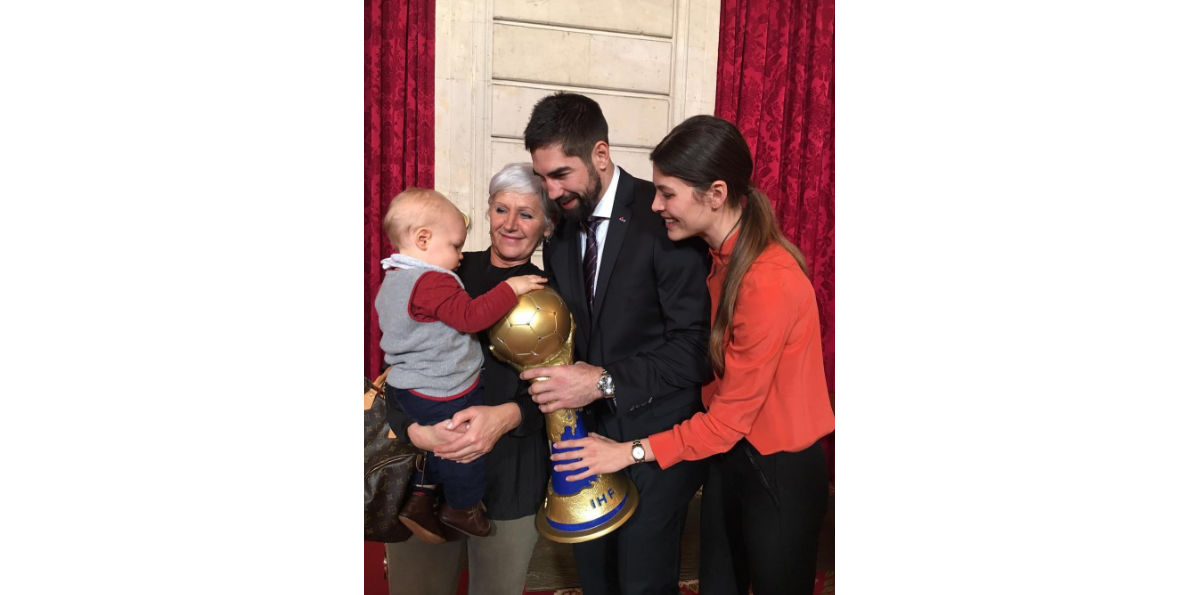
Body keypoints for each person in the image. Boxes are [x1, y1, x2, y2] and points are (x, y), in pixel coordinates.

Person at [549, 115, 835, 595]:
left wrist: (627, 452)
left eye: (668, 193)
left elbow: (727, 420)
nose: (656, 205)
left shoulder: (768, 280)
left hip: (778, 469)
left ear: (716, 194)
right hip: (730, 460)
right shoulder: (721, 257)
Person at [519, 92, 712, 595]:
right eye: (541, 177)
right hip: (586, 442)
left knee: (642, 581)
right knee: (595, 579)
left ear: (600, 154)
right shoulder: (560, 230)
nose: (550, 190)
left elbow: (695, 348)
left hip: (657, 439)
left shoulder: (666, 217)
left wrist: (603, 382)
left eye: (560, 174)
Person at [385, 165, 557, 595]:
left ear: (548, 225)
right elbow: (400, 367)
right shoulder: (440, 272)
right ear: (487, 212)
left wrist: (509, 414)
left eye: (527, 214)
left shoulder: (552, 291)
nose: (511, 224)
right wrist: (416, 431)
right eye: (501, 209)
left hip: (510, 478)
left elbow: (565, 390)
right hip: (427, 471)